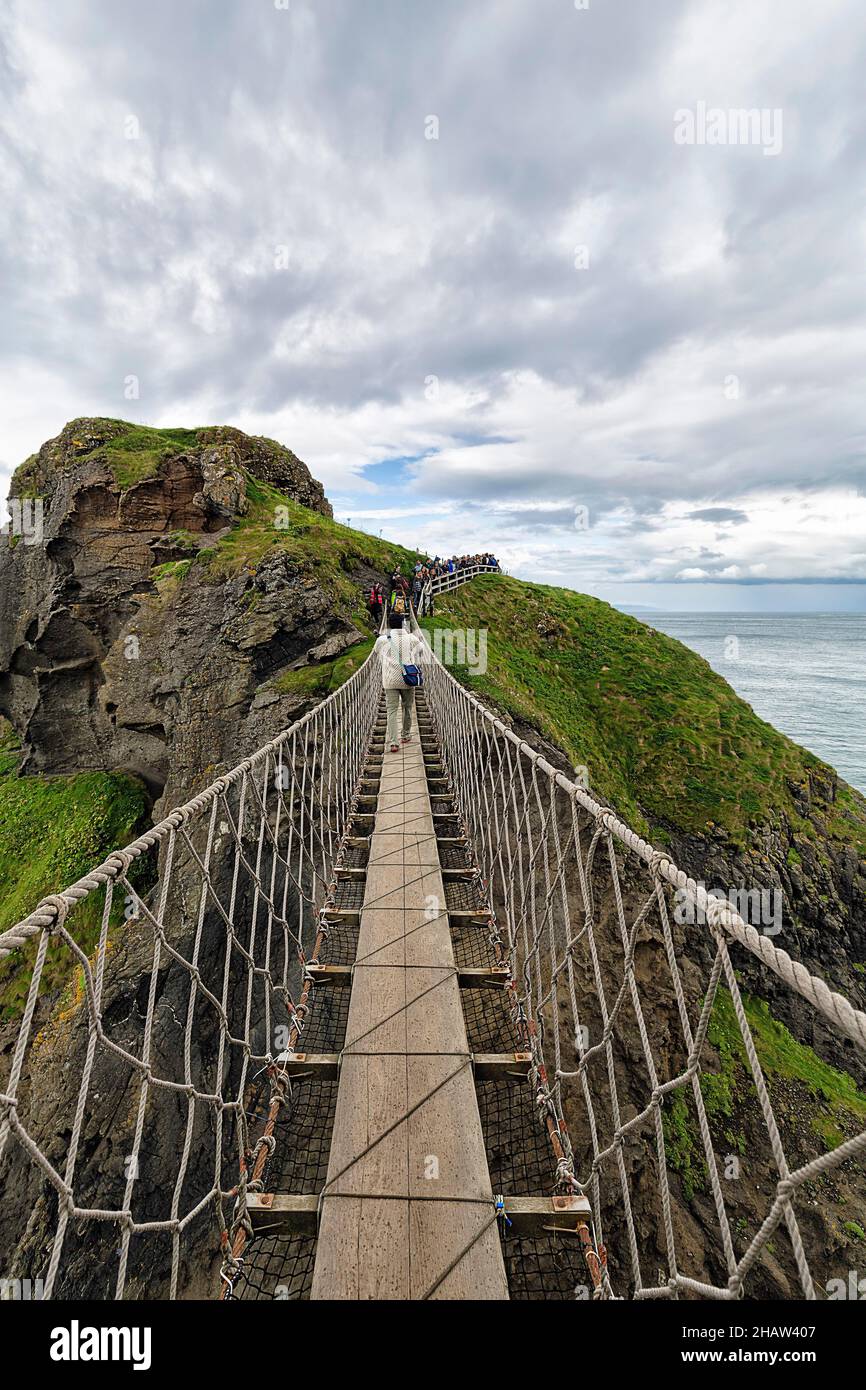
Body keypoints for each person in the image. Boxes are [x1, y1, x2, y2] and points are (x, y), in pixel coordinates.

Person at [374, 613, 426, 751]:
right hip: (407, 679)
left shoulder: (382, 640)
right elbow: (422, 650)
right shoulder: (412, 638)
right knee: (407, 707)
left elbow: (376, 652)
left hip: (390, 680)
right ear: (403, 623)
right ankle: (406, 735)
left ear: (389, 625)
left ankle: (393, 742)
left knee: (391, 710)